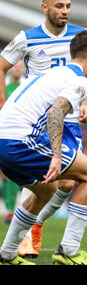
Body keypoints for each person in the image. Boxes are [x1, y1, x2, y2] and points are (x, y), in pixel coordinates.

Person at [0, 30, 87, 265]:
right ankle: (68, 251)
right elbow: (56, 112)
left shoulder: (53, 73)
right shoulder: (79, 81)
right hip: (19, 141)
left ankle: (7, 254)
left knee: (46, 190)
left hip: (3, 141)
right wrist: (57, 156)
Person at [0, 61, 24, 223]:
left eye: (20, 65)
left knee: (11, 175)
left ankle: (11, 210)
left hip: (17, 135)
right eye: (14, 64)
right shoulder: (3, 88)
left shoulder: (26, 88)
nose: (16, 67)